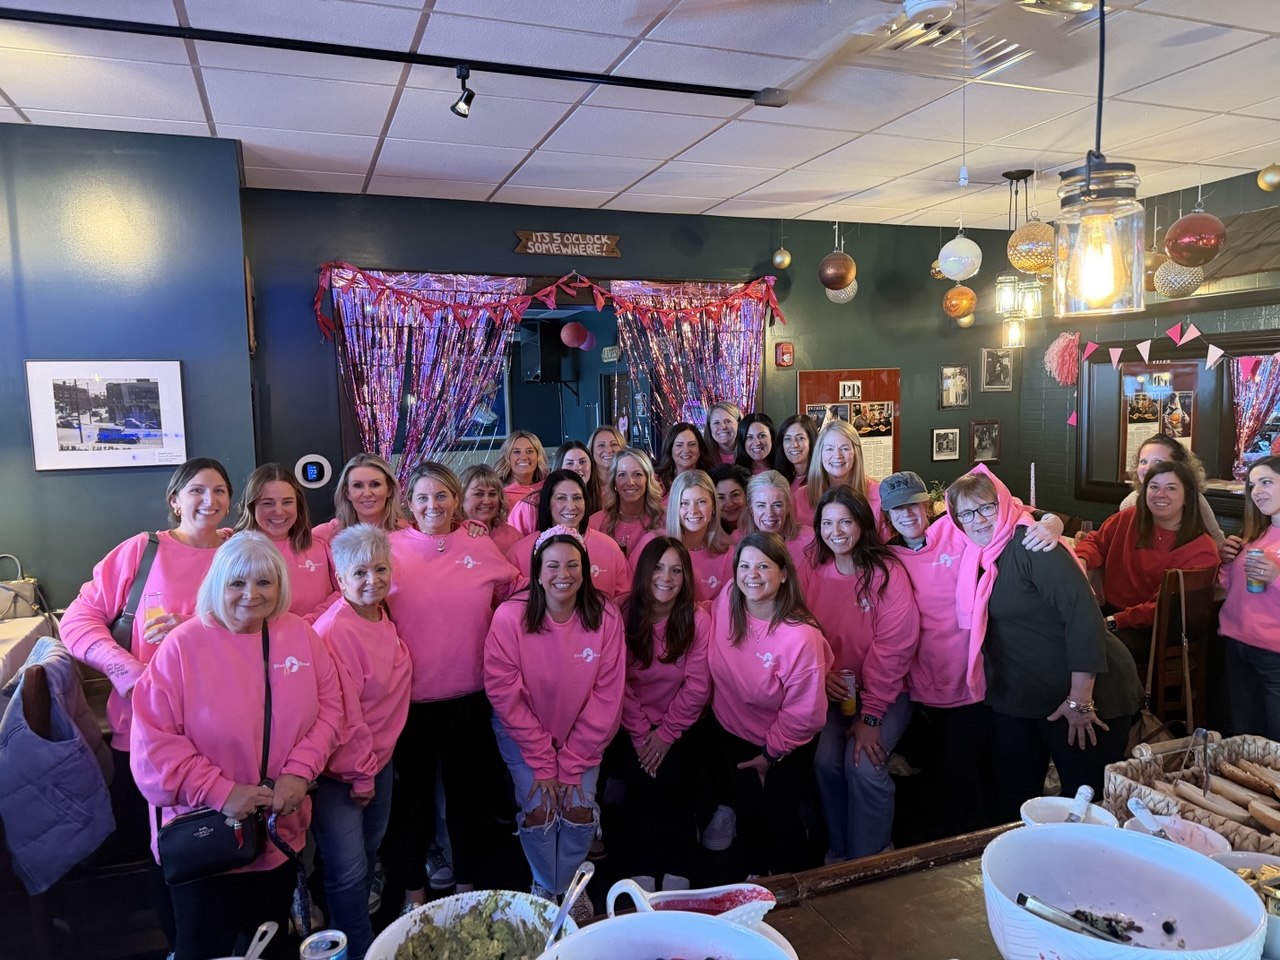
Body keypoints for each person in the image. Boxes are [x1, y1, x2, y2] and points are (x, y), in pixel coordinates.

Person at [130, 531, 342, 960]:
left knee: (268, 940)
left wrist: (299, 772)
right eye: (237, 583)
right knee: (204, 948)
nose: (251, 594)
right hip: (205, 840)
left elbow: (331, 710)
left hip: (278, 833)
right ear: (216, 584)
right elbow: (154, 745)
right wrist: (220, 791)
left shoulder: (301, 636)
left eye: (264, 582)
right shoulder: (181, 647)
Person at [61, 457, 235, 944]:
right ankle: (183, 945)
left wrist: (197, 627)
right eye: (197, 490)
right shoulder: (142, 551)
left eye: (220, 491)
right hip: (148, 733)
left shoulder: (240, 550)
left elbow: (264, 621)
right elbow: (77, 621)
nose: (209, 500)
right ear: (174, 500)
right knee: (170, 854)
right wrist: (127, 671)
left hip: (225, 730)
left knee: (229, 846)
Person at [948, 466, 1141, 825]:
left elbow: (1083, 616)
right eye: (967, 513)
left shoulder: (1033, 544)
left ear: (1003, 504)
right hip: (1023, 696)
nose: (978, 520)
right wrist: (1048, 516)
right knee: (1014, 800)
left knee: (1083, 806)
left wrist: (1080, 700)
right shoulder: (979, 554)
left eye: (987, 507)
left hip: (1088, 694)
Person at [385, 462, 521, 908]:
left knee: (467, 802)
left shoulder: (478, 545)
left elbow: (516, 592)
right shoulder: (389, 548)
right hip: (409, 702)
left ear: (456, 499)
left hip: (469, 697)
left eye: (442, 496)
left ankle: (466, 892)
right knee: (413, 804)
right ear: (409, 503)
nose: (433, 505)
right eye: (423, 497)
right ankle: (414, 895)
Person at [484, 526, 625, 919]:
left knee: (578, 809)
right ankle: (547, 883)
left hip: (585, 737)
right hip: (524, 736)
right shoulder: (510, 616)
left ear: (585, 569)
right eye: (553, 565)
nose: (563, 574)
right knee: (540, 809)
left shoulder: (606, 616)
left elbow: (607, 696)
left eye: (572, 565)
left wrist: (573, 761)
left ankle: (571, 880)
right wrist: (544, 761)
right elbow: (504, 693)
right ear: (537, 571)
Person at [801, 488, 919, 861]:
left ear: (862, 524)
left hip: (886, 693)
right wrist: (821, 675)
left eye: (845, 522)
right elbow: (801, 630)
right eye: (827, 523)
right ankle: (840, 854)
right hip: (835, 693)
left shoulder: (887, 573)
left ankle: (871, 858)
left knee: (863, 767)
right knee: (825, 763)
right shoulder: (812, 569)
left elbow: (894, 649)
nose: (836, 532)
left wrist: (871, 717)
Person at [310, 525, 410, 960]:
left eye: (381, 569)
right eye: (360, 572)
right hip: (345, 773)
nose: (373, 579)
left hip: (378, 762)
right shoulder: (336, 630)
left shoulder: (381, 616)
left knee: (367, 856)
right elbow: (342, 715)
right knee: (348, 873)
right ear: (340, 579)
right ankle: (357, 951)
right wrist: (360, 775)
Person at [704, 532, 830, 876]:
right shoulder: (728, 598)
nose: (752, 575)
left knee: (781, 824)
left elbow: (806, 714)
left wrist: (770, 755)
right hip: (731, 732)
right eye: (744, 566)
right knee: (749, 819)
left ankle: (795, 892)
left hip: (781, 745)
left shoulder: (800, 636)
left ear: (784, 573)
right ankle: (756, 881)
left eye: (763, 566)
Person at [617, 537, 712, 890]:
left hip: (679, 724)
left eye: (676, 570)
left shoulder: (697, 620)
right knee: (641, 782)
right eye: (658, 568)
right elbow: (616, 682)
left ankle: (678, 861)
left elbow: (697, 687)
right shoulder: (622, 613)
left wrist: (666, 735)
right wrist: (642, 734)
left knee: (676, 777)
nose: (666, 578)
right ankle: (641, 862)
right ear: (644, 571)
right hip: (632, 723)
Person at [1075, 460, 1220, 666]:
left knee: (1092, 644)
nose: (1160, 494)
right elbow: (1095, 542)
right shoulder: (1128, 518)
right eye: (1154, 487)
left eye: (1171, 488)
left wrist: (1113, 622)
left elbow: (1160, 610)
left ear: (1188, 496)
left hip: (1154, 629)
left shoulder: (1202, 549)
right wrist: (1081, 560)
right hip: (1112, 611)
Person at [1219, 456, 1280, 738]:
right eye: (1253, 485)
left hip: (1274, 653)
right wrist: (1226, 562)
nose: (1257, 491)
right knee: (1245, 737)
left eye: (1266, 482)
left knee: (1275, 740)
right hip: (1238, 642)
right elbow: (1229, 588)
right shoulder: (1257, 534)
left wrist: (1276, 576)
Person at [234, 463, 337, 622]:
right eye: (267, 503)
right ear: (252, 506)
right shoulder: (235, 554)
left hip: (318, 633)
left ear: (298, 505)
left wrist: (310, 622)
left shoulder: (319, 546)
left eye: (287, 502)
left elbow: (341, 594)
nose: (279, 511)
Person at [508, 469, 632, 599]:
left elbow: (624, 598)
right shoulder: (519, 553)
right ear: (547, 503)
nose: (571, 506)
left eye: (577, 498)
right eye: (561, 498)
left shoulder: (609, 547)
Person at [1119, 434, 1224, 545]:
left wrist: (1225, 549)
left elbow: (1218, 542)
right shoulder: (1129, 503)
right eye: (1143, 461)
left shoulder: (1194, 498)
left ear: (1179, 467)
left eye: (1158, 462)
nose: (1148, 468)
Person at [665, 469, 734, 603]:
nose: (693, 510)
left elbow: (726, 606)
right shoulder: (654, 543)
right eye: (684, 503)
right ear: (674, 507)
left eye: (701, 502)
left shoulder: (729, 553)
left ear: (714, 506)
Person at [801, 419, 882, 528]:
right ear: (820, 453)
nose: (837, 456)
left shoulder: (878, 494)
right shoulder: (800, 498)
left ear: (856, 452)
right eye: (829, 449)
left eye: (844, 449)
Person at [509, 440, 599, 536]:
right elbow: (515, 541)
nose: (577, 467)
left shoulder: (598, 498)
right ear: (559, 467)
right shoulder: (529, 506)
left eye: (582, 462)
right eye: (570, 463)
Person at [313, 453, 406, 544]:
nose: (367, 494)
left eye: (375, 484)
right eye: (358, 485)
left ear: (389, 490)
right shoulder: (321, 537)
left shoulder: (410, 535)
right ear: (347, 492)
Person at [590, 448, 664, 559]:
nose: (630, 482)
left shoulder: (664, 520)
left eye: (637, 474)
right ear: (614, 481)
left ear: (647, 479)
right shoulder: (595, 523)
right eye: (622, 475)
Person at [739, 470, 814, 570]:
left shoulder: (811, 540)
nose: (770, 514)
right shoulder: (737, 542)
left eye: (777, 505)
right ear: (751, 510)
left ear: (788, 507)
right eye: (761, 505)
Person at [459, 462, 523, 555]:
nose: (487, 501)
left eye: (492, 494)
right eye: (479, 494)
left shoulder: (513, 537)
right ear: (460, 498)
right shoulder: (450, 535)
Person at [496, 430, 550, 513]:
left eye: (529, 451)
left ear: (538, 456)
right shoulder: (497, 493)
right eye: (517, 452)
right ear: (507, 457)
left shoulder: (548, 488)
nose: (524, 457)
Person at [656, 421, 716, 491]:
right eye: (679, 445)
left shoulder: (712, 480)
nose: (686, 450)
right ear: (670, 450)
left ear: (700, 449)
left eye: (692, 444)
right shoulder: (655, 481)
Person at [773, 413, 817, 490]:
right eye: (787, 439)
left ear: (811, 440)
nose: (794, 444)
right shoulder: (780, 479)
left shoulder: (820, 479)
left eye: (800, 438)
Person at [710, 463, 750, 537]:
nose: (729, 504)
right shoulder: (708, 533)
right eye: (721, 497)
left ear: (746, 494)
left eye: (735, 495)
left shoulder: (760, 526)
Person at [589, 425, 626, 505]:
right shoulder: (583, 484)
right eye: (601, 445)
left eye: (614, 444)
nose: (608, 450)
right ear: (591, 450)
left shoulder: (630, 482)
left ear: (622, 449)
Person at [704, 402, 742, 466]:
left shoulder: (751, 452)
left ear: (739, 423)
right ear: (709, 427)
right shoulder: (702, 456)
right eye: (716, 423)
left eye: (728, 421)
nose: (722, 427)